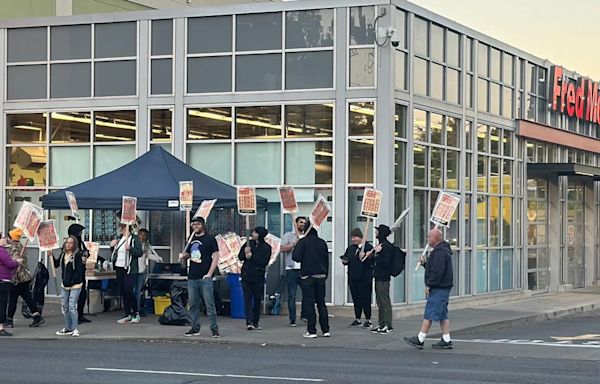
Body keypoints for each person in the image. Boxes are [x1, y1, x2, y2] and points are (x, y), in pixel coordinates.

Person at [404, 228, 454, 349]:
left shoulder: (439, 253)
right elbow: (435, 269)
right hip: (443, 287)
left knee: (430, 313)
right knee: (442, 314)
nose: (427, 238)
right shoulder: (441, 251)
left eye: (429, 236)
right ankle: (446, 339)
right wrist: (425, 264)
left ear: (436, 238)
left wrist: (429, 285)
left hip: (439, 288)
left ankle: (420, 338)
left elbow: (437, 272)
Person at [179, 216, 220, 338]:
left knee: (209, 304)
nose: (195, 226)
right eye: (193, 224)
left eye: (197, 224)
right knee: (193, 304)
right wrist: (184, 256)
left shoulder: (210, 239)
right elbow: (189, 255)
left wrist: (209, 273)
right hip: (192, 276)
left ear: (203, 225)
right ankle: (195, 327)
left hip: (204, 277)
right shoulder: (191, 239)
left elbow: (215, 257)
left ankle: (214, 329)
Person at [292, 221, 330, 338]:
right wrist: (325, 274)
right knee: (321, 303)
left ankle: (312, 330)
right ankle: (325, 330)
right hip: (321, 276)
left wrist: (297, 244)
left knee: (309, 303)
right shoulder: (322, 242)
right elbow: (326, 260)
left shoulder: (303, 242)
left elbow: (296, 257)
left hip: (307, 277)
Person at [5, 228, 45, 328]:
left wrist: (13, 264)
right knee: (27, 298)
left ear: (11, 238)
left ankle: (9, 320)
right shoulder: (20, 245)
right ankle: (37, 317)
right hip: (24, 277)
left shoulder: (14, 247)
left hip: (17, 278)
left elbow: (15, 261)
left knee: (13, 299)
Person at [51, 235, 85, 337]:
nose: (68, 244)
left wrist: (71, 281)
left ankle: (75, 328)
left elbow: (80, 271)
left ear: (74, 244)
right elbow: (56, 264)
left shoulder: (77, 255)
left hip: (75, 285)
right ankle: (67, 327)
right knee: (65, 307)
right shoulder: (63, 255)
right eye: (67, 242)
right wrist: (51, 254)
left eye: (71, 243)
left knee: (72, 307)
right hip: (64, 285)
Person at [238, 226, 271, 330]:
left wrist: (252, 256)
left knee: (257, 299)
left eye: (255, 233)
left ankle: (256, 320)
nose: (253, 234)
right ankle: (249, 321)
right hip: (246, 275)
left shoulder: (266, 247)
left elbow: (263, 262)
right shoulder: (248, 244)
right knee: (247, 298)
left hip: (258, 276)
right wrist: (245, 252)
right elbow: (240, 257)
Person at [110, 223, 143, 324]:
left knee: (129, 289)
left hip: (130, 268)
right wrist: (112, 246)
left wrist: (131, 249)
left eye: (122, 227)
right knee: (123, 290)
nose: (120, 229)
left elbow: (139, 252)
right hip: (119, 267)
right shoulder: (119, 238)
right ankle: (127, 313)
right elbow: (115, 253)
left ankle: (136, 312)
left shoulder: (134, 238)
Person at [341, 228, 374, 329]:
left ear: (360, 237)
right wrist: (344, 261)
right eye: (352, 237)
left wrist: (367, 257)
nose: (353, 239)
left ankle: (368, 319)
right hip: (353, 277)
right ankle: (357, 318)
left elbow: (373, 262)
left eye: (354, 237)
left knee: (365, 298)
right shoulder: (351, 248)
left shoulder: (368, 247)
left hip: (364, 278)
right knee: (356, 298)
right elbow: (346, 259)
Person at [279, 217, 307, 327]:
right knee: (292, 295)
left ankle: (305, 315)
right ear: (296, 224)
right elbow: (281, 249)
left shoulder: (307, 236)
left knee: (307, 294)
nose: (302, 224)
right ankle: (292, 319)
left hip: (304, 269)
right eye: (300, 222)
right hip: (291, 269)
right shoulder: (288, 235)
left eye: (304, 223)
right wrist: (293, 244)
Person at [370, 224, 394, 334]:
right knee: (379, 301)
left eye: (377, 231)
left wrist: (377, 254)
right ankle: (381, 324)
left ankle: (388, 325)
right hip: (378, 276)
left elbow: (385, 263)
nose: (376, 233)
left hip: (384, 278)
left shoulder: (386, 246)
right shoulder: (380, 245)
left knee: (385, 301)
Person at [67, 223, 92, 324]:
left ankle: (80, 315)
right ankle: (72, 317)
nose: (81, 234)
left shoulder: (80, 242)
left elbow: (86, 252)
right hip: (72, 274)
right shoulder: (70, 243)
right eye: (80, 232)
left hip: (81, 272)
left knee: (82, 294)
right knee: (72, 296)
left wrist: (86, 254)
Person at [136, 228, 163, 315]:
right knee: (133, 290)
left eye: (145, 235)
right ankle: (134, 308)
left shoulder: (146, 245)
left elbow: (148, 255)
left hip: (141, 270)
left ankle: (138, 308)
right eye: (141, 234)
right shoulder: (134, 243)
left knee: (139, 290)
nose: (142, 236)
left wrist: (158, 259)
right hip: (133, 270)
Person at [0, 234, 19, 336]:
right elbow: (9, 264)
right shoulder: (1, 251)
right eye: (3, 237)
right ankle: (1, 327)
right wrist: (17, 262)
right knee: (2, 304)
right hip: (3, 280)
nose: (5, 239)